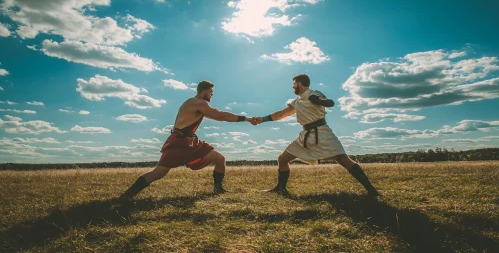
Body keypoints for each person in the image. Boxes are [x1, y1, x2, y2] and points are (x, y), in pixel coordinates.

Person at [250, 74, 379, 197]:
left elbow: (330, 103)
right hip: (305, 135)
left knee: (343, 160)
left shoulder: (314, 94)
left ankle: (371, 190)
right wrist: (262, 119)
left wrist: (318, 101)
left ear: (299, 83)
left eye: (294, 84)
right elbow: (280, 114)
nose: (292, 87)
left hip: (322, 132)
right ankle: (281, 188)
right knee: (283, 159)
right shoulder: (297, 102)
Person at [119, 80, 251, 201]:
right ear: (204, 91)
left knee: (220, 159)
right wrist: (247, 119)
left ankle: (218, 189)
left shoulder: (193, 103)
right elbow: (221, 115)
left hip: (188, 140)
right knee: (158, 173)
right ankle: (127, 195)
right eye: (211, 92)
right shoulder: (198, 103)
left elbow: (217, 116)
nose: (212, 95)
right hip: (179, 141)